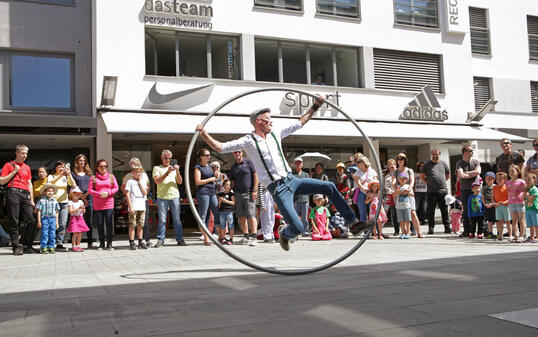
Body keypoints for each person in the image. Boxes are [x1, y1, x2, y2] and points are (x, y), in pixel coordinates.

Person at [196, 99, 365, 251]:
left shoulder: (275, 133)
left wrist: (316, 106)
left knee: (329, 186)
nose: (271, 121)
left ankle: (353, 223)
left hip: (292, 180)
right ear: (258, 121)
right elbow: (220, 147)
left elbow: (300, 123)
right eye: (268, 118)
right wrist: (203, 133)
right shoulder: (249, 140)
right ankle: (286, 235)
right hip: (278, 188)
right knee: (298, 227)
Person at [0, 144, 38, 255]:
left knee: (31, 220)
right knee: (14, 220)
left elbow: (30, 184)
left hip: (25, 194)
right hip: (13, 192)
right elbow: (2, 181)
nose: (25, 155)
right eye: (22, 153)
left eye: (26, 153)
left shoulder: (27, 167)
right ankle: (16, 246)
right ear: (16, 153)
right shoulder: (9, 165)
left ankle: (27, 245)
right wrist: (13, 172)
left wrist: (31, 199)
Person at [152, 149, 187, 247]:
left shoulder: (174, 169)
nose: (168, 160)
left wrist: (177, 171)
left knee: (177, 219)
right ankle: (160, 240)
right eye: (166, 158)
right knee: (162, 219)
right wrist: (167, 172)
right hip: (162, 197)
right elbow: (157, 181)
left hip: (174, 196)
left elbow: (180, 182)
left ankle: (180, 239)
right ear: (162, 158)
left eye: (170, 158)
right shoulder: (157, 168)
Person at [229, 149, 258, 246]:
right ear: (233, 154)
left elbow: (255, 176)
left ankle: (254, 237)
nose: (237, 153)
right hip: (238, 193)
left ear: (242, 152)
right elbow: (232, 181)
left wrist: (254, 190)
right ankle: (246, 236)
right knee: (241, 216)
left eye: (239, 152)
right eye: (235, 152)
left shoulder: (249, 162)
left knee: (251, 215)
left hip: (249, 193)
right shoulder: (233, 167)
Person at [88, 159, 118, 250]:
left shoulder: (111, 177)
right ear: (97, 167)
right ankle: (101, 243)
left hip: (109, 204)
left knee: (109, 224)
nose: (103, 168)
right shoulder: (93, 178)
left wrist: (108, 193)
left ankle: (109, 244)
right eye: (101, 166)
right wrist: (99, 194)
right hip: (98, 204)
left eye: (105, 166)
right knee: (100, 224)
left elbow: (116, 188)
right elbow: (90, 190)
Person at [121, 157, 152, 248]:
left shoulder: (144, 175)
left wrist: (144, 193)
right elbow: (124, 188)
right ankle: (132, 242)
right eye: (134, 164)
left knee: (142, 223)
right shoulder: (128, 177)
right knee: (132, 224)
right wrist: (129, 197)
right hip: (133, 203)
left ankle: (143, 241)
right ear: (131, 166)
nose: (136, 166)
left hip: (142, 202)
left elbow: (147, 188)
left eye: (137, 163)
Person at [392, 153, 423, 238]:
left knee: (413, 213)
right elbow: (393, 182)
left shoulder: (409, 170)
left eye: (402, 159)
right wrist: (396, 190)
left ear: (405, 160)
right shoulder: (395, 171)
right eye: (398, 159)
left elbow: (412, 181)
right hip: (399, 195)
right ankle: (404, 233)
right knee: (401, 215)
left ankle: (419, 232)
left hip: (408, 194)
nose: (400, 160)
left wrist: (409, 189)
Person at [421, 148, 451, 234]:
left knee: (444, 210)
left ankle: (447, 227)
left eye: (437, 154)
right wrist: (428, 183)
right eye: (434, 154)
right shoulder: (427, 164)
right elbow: (422, 176)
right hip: (431, 191)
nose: (435, 155)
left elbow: (448, 175)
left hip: (443, 191)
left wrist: (442, 182)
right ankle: (431, 228)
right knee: (431, 210)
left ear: (439, 154)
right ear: (431, 155)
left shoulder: (443, 164)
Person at [194, 148, 220, 246]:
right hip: (203, 192)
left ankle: (219, 234)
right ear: (201, 157)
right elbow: (198, 182)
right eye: (206, 155)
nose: (209, 156)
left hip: (212, 192)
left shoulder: (210, 166)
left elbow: (216, 178)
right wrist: (210, 179)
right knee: (203, 215)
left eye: (209, 155)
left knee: (216, 212)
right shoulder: (198, 167)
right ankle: (206, 238)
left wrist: (216, 171)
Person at [48, 160, 76, 250]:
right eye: (59, 166)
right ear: (55, 167)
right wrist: (59, 175)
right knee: (52, 223)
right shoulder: (51, 176)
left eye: (63, 167)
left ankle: (59, 242)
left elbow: (73, 184)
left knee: (63, 224)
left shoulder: (65, 177)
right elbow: (49, 183)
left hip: (64, 202)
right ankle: (51, 242)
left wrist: (69, 174)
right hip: (53, 202)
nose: (61, 168)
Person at [456, 145, 481, 238]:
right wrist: (471, 173)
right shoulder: (459, 163)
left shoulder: (475, 161)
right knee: (466, 210)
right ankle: (467, 231)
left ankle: (480, 231)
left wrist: (467, 173)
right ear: (464, 152)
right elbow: (461, 175)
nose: (472, 152)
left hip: (475, 190)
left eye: (472, 150)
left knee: (478, 209)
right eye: (470, 151)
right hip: (465, 190)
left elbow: (478, 171)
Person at [71, 154, 95, 249]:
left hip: (89, 198)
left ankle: (90, 242)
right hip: (77, 198)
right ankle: (75, 244)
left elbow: (92, 186)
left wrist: (85, 197)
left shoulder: (89, 173)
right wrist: (81, 197)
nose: (82, 162)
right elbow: (73, 187)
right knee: (76, 220)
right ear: (77, 162)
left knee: (89, 220)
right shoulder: (73, 174)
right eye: (80, 160)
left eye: (84, 160)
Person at [124, 166, 148, 250]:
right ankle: (132, 242)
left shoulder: (142, 181)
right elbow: (127, 194)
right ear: (133, 173)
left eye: (140, 172)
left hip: (141, 206)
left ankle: (140, 241)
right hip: (133, 206)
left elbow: (145, 192)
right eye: (137, 172)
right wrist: (130, 207)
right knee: (132, 225)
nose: (139, 174)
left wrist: (140, 183)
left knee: (140, 225)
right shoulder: (130, 182)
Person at [352, 155, 378, 224]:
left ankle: (374, 230)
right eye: (358, 165)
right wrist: (363, 188)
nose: (360, 167)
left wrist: (373, 192)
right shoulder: (358, 172)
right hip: (361, 193)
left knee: (372, 212)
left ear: (365, 163)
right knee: (362, 213)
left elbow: (376, 182)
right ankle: (365, 231)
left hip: (371, 193)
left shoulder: (372, 171)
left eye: (361, 165)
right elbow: (358, 183)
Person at [35, 184, 59, 254]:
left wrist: (57, 222)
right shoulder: (41, 201)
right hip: (44, 219)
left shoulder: (55, 201)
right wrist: (39, 221)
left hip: (53, 219)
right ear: (45, 192)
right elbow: (39, 211)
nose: (50, 192)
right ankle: (43, 247)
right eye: (48, 191)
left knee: (52, 233)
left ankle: (51, 246)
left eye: (51, 191)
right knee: (44, 233)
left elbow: (57, 212)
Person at [506, 164, 526, 242]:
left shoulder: (521, 182)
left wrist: (524, 198)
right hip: (511, 203)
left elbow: (525, 191)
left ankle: (522, 236)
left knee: (521, 220)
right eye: (510, 171)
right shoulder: (507, 182)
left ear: (518, 172)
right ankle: (516, 235)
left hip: (520, 203)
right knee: (514, 220)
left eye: (513, 171)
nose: (511, 173)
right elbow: (508, 192)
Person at [67, 186, 89, 252]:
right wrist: (78, 208)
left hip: (80, 218)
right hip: (74, 218)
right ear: (71, 195)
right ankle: (74, 245)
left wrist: (83, 209)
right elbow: (71, 211)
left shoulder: (80, 202)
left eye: (78, 194)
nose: (77, 195)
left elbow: (84, 211)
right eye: (75, 194)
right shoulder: (70, 202)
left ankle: (78, 245)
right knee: (75, 233)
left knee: (80, 232)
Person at [293, 157, 310, 236]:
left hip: (305, 198)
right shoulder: (292, 174)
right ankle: (296, 231)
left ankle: (305, 231)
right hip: (295, 199)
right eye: (297, 163)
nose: (298, 164)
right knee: (295, 217)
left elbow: (309, 185)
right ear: (294, 164)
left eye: (300, 163)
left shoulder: (306, 174)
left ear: (302, 164)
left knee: (305, 217)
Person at [493, 172, 510, 241]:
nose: (498, 180)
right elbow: (492, 197)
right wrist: (494, 203)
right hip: (497, 206)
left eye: (500, 179)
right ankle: (500, 235)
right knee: (499, 221)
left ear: (505, 179)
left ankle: (510, 235)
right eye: (497, 179)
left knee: (508, 221)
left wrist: (505, 202)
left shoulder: (507, 187)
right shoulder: (494, 187)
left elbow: (510, 197)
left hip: (506, 206)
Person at [395, 172, 412, 239]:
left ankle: (408, 232)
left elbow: (412, 195)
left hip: (407, 206)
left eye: (404, 179)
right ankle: (403, 232)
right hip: (399, 206)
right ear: (398, 179)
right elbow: (394, 195)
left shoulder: (408, 186)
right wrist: (398, 192)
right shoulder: (397, 187)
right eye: (401, 179)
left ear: (406, 179)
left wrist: (407, 192)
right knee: (401, 221)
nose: (402, 180)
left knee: (407, 220)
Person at [384, 159, 399, 236]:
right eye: (390, 164)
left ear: (396, 165)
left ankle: (410, 229)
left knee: (404, 212)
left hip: (400, 195)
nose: (391, 166)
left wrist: (396, 192)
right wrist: (391, 192)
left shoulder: (399, 173)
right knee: (394, 214)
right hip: (392, 196)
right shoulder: (387, 176)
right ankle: (396, 230)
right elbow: (386, 187)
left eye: (393, 164)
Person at [217, 180, 235, 245]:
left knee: (231, 225)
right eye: (227, 184)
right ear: (223, 186)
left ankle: (231, 239)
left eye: (229, 185)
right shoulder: (220, 194)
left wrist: (225, 201)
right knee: (222, 226)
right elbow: (218, 203)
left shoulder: (231, 194)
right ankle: (223, 238)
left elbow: (233, 203)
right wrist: (220, 200)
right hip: (222, 212)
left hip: (229, 211)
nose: (228, 186)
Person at [482, 172, 497, 239]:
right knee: (489, 221)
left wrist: (493, 204)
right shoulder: (484, 187)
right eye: (487, 179)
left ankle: (499, 233)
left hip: (494, 206)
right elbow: (482, 197)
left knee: (497, 220)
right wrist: (485, 204)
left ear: (493, 179)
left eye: (490, 179)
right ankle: (490, 233)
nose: (488, 180)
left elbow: (497, 197)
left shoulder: (495, 187)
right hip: (487, 206)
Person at [524, 173, 538, 243]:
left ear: (534, 180)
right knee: (531, 225)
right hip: (528, 209)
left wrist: (527, 195)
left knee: (536, 224)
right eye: (526, 180)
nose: (527, 182)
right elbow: (523, 198)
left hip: (534, 209)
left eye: (529, 180)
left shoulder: (534, 189)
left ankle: (537, 237)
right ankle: (531, 237)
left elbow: (532, 198)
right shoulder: (527, 189)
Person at [414, 162, 427, 227]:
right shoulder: (415, 174)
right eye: (420, 166)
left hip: (425, 192)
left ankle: (423, 220)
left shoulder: (426, 174)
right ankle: (416, 219)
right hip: (417, 191)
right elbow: (413, 183)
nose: (421, 167)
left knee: (424, 207)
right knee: (416, 207)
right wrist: (413, 191)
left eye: (422, 166)